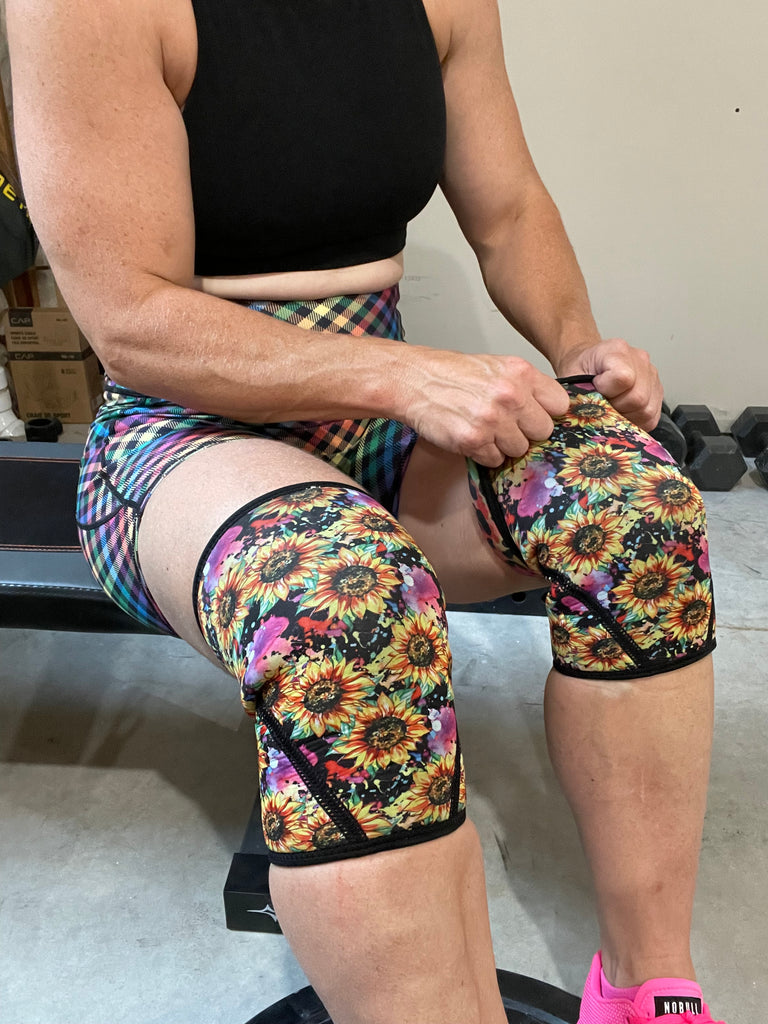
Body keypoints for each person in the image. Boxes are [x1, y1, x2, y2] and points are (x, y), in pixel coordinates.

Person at [7, 0, 725, 1021]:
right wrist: (406, 377)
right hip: (182, 435)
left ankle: (648, 985)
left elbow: (510, 209)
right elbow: (133, 319)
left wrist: (581, 353)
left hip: (381, 422)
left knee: (634, 506)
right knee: (342, 607)